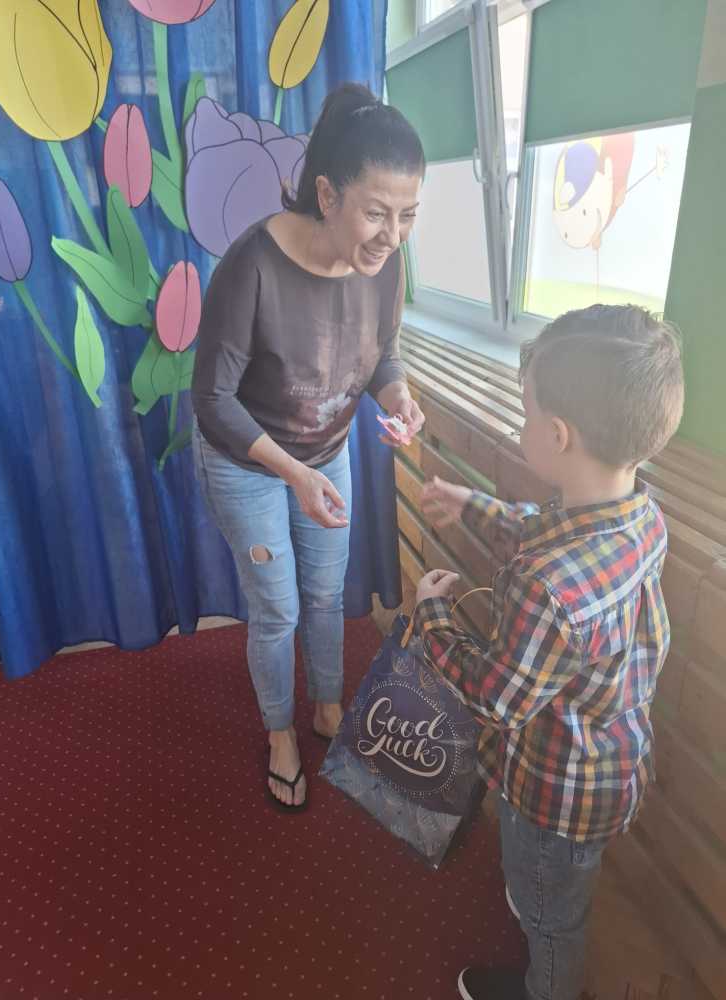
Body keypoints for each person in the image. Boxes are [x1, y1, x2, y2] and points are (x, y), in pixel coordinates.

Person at [413, 305, 684, 1000]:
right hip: (611, 761)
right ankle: (537, 897)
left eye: (526, 411)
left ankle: (547, 984)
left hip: (551, 794)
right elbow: (548, 528)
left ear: (558, 435)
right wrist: (472, 504)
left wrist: (433, 616)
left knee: (552, 919)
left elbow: (494, 700)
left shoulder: (547, 588)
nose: (521, 424)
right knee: (553, 888)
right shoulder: (640, 514)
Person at [191, 83, 426, 812]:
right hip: (249, 462)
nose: (392, 235)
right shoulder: (252, 264)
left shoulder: (385, 266)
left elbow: (382, 354)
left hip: (324, 458)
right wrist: (293, 472)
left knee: (327, 594)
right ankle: (280, 733)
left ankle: (327, 706)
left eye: (409, 215)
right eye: (377, 213)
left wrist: (398, 396)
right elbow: (211, 401)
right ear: (327, 195)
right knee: (279, 610)